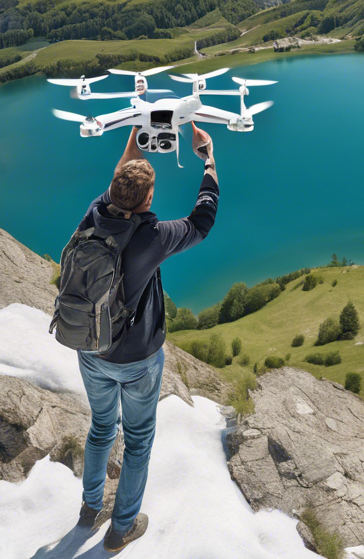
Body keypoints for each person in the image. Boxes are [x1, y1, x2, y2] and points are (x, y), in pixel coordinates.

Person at [74, 122, 219, 552]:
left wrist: (137, 131)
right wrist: (208, 159)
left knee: (101, 428)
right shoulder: (153, 236)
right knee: (137, 441)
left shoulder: (94, 213)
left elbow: (123, 172)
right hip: (137, 359)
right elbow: (203, 219)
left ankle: (89, 507)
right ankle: (121, 528)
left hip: (90, 347)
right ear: (148, 200)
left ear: (115, 190)